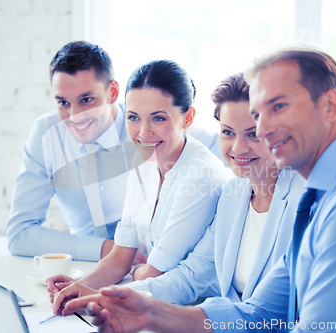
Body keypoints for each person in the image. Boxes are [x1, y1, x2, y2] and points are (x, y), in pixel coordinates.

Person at [63, 47, 336, 333]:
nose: (266, 129)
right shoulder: (320, 195)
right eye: (259, 114)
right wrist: (150, 313)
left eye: (278, 107)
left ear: (330, 106)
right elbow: (260, 313)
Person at [6, 41, 222, 262]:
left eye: (86, 100)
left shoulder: (154, 129)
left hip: (160, 267)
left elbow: (235, 153)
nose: (74, 116)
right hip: (88, 264)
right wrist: (111, 251)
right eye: (63, 103)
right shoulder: (46, 135)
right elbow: (20, 234)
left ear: (113, 92)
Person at [105, 73, 305, 305]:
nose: (238, 148)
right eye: (228, 132)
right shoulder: (234, 194)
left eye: (253, 134)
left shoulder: (305, 200)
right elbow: (191, 276)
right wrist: (107, 298)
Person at [48, 59, 226, 303]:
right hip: (143, 300)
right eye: (133, 118)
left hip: (190, 312)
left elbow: (155, 273)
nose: (143, 132)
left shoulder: (201, 175)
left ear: (188, 118)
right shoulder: (144, 162)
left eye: (158, 119)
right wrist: (80, 286)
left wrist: (104, 290)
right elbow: (121, 256)